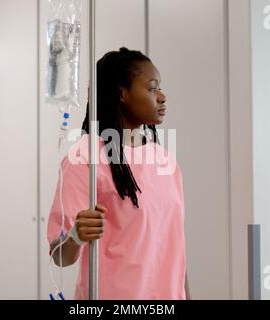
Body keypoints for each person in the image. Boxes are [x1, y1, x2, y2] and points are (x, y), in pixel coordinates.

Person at [47, 47, 191, 300]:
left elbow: (175, 248)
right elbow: (60, 255)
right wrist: (75, 236)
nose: (162, 97)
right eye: (152, 88)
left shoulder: (165, 160)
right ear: (121, 94)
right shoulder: (85, 160)